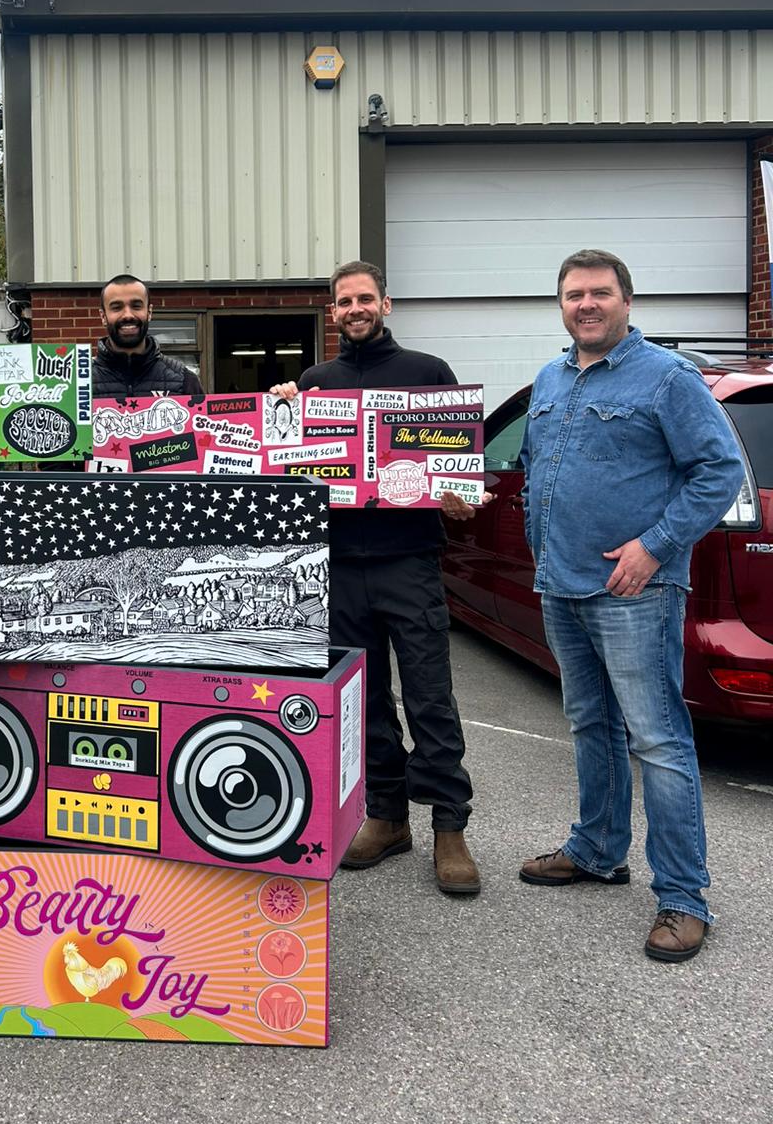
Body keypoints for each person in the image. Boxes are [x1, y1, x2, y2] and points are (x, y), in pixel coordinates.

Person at [518, 249, 744, 962]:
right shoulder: (551, 378)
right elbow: (536, 470)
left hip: (633, 591)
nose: (586, 304)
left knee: (659, 741)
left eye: (600, 293)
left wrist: (654, 545)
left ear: (626, 301)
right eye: (574, 294)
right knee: (591, 725)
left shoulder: (667, 378)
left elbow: (720, 470)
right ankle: (597, 850)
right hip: (562, 585)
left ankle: (682, 897)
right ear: (560, 304)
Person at [272, 261, 485, 896]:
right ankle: (388, 816)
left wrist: (457, 497)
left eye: (366, 298)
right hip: (337, 566)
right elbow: (288, 473)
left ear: (385, 304)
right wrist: (281, 419)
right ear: (332, 312)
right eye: (344, 302)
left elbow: (460, 484)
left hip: (409, 561)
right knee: (364, 703)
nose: (355, 308)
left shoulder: (428, 375)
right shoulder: (315, 382)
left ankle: (450, 825)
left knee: (429, 696)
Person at [93, 274, 204, 397]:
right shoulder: (79, 383)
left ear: (149, 312)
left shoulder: (184, 380)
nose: (127, 315)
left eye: (136, 306)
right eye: (117, 308)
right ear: (103, 316)